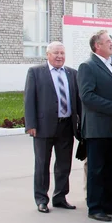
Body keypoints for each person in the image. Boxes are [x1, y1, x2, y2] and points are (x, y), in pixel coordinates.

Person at [24, 41, 81, 213]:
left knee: (64, 164)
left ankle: (60, 197)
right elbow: (29, 99)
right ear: (48, 55)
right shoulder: (35, 72)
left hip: (66, 126)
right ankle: (41, 199)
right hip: (43, 126)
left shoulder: (72, 73)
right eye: (56, 53)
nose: (59, 57)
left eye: (62, 53)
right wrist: (31, 124)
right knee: (42, 164)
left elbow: (77, 101)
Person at [78, 30, 112, 222]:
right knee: (96, 169)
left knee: (111, 167)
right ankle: (95, 207)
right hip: (97, 127)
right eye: (108, 41)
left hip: (111, 127)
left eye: (111, 41)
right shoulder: (88, 66)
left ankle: (109, 202)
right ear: (97, 45)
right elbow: (87, 96)